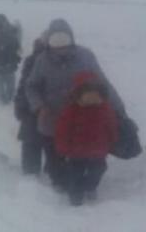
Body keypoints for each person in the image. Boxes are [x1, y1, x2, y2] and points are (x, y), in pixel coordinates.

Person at [25, 19, 125, 191]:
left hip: (82, 118)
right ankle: (60, 184)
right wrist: (39, 106)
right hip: (51, 118)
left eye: (64, 40)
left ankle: (83, 186)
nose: (60, 46)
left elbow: (103, 84)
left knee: (84, 155)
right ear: (49, 41)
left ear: (72, 38)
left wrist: (119, 109)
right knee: (54, 156)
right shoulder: (42, 60)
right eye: (55, 41)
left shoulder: (85, 56)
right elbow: (31, 86)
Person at [55, 71, 118, 206]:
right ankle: (75, 195)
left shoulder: (105, 109)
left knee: (98, 170)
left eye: (95, 95)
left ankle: (90, 186)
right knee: (75, 174)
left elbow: (111, 126)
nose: (91, 98)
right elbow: (62, 131)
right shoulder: (71, 110)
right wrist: (63, 147)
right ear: (78, 95)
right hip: (76, 152)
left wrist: (112, 142)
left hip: (98, 151)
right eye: (87, 95)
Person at [14, 35, 46, 175]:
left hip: (30, 109)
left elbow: (23, 85)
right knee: (50, 144)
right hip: (42, 108)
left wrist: (20, 104)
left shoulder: (31, 60)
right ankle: (51, 174)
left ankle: (31, 174)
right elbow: (24, 85)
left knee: (31, 142)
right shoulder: (34, 60)